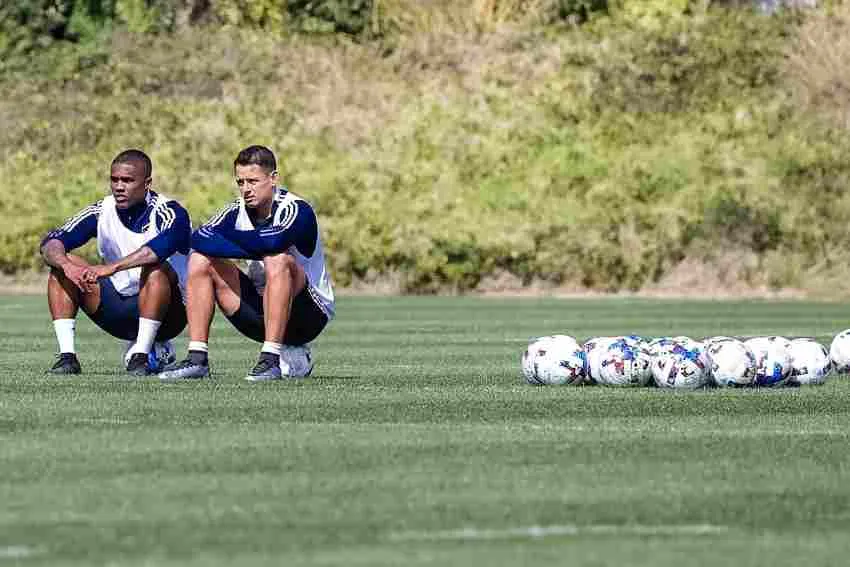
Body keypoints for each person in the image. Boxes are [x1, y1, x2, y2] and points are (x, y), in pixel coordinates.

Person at [158, 145, 334, 382]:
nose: (246, 189)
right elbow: (198, 238)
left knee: (277, 258)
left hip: (308, 316)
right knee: (200, 259)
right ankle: (197, 359)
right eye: (240, 182)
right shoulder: (236, 210)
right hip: (260, 312)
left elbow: (274, 242)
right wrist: (257, 243)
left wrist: (230, 239)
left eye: (253, 181)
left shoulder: (297, 210)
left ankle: (270, 360)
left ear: (273, 179)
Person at [41, 149, 191, 376]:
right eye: (115, 180)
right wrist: (67, 265)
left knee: (155, 268)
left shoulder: (170, 211)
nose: (119, 186)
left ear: (147, 183)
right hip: (120, 308)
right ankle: (67, 358)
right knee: (63, 264)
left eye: (127, 181)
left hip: (169, 314)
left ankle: (141, 356)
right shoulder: (101, 210)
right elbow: (51, 243)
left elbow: (159, 249)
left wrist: (111, 267)